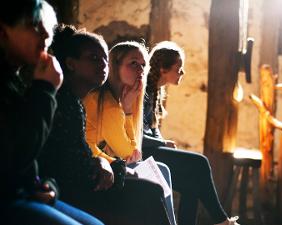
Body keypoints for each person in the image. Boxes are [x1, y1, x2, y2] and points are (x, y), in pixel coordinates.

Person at [38, 24, 171, 225]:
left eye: (104, 59)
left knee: (154, 184)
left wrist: (107, 163)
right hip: (68, 186)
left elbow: (88, 152)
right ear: (71, 63)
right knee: (150, 190)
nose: (102, 64)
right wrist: (112, 166)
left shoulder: (78, 100)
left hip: (87, 173)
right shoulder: (91, 101)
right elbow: (129, 152)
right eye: (93, 58)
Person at [0, 1, 103, 224]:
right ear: (3, 30)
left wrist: (46, 184)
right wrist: (45, 90)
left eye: (47, 26)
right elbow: (14, 154)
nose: (46, 34)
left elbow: (38, 159)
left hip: (26, 192)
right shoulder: (40, 88)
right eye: (34, 25)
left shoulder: (17, 82)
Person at [143, 41, 239, 225]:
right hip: (140, 154)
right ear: (163, 69)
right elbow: (135, 136)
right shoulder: (144, 90)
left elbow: (152, 131)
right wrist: (162, 144)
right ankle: (222, 221)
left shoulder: (156, 89)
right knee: (200, 162)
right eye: (179, 68)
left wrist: (162, 142)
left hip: (150, 150)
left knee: (192, 184)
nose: (182, 72)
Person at [83, 41, 176, 225]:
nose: (140, 69)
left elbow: (134, 152)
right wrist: (126, 112)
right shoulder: (105, 102)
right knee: (154, 185)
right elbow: (129, 152)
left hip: (110, 162)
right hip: (94, 171)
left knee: (163, 170)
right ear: (114, 66)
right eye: (133, 63)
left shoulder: (123, 98)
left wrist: (127, 109)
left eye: (143, 65)